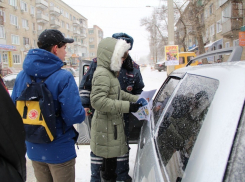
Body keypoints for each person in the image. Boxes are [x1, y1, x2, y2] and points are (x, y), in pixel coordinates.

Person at [11, 29, 86, 182]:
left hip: (33, 147)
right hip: (59, 149)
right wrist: (83, 112)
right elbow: (73, 116)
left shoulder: (21, 76)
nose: (66, 52)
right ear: (55, 48)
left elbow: (13, 110)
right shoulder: (63, 76)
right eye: (64, 48)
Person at [79, 33, 144, 182]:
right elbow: (97, 99)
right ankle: (97, 178)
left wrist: (138, 100)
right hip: (106, 122)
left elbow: (119, 93)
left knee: (118, 149)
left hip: (115, 120)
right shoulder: (102, 72)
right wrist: (129, 106)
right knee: (102, 153)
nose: (124, 60)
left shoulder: (112, 72)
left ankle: (119, 176)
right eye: (121, 56)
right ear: (112, 55)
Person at [0, 83, 26, 182]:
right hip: (60, 142)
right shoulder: (64, 76)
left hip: (33, 142)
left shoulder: (21, 76)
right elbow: (10, 132)